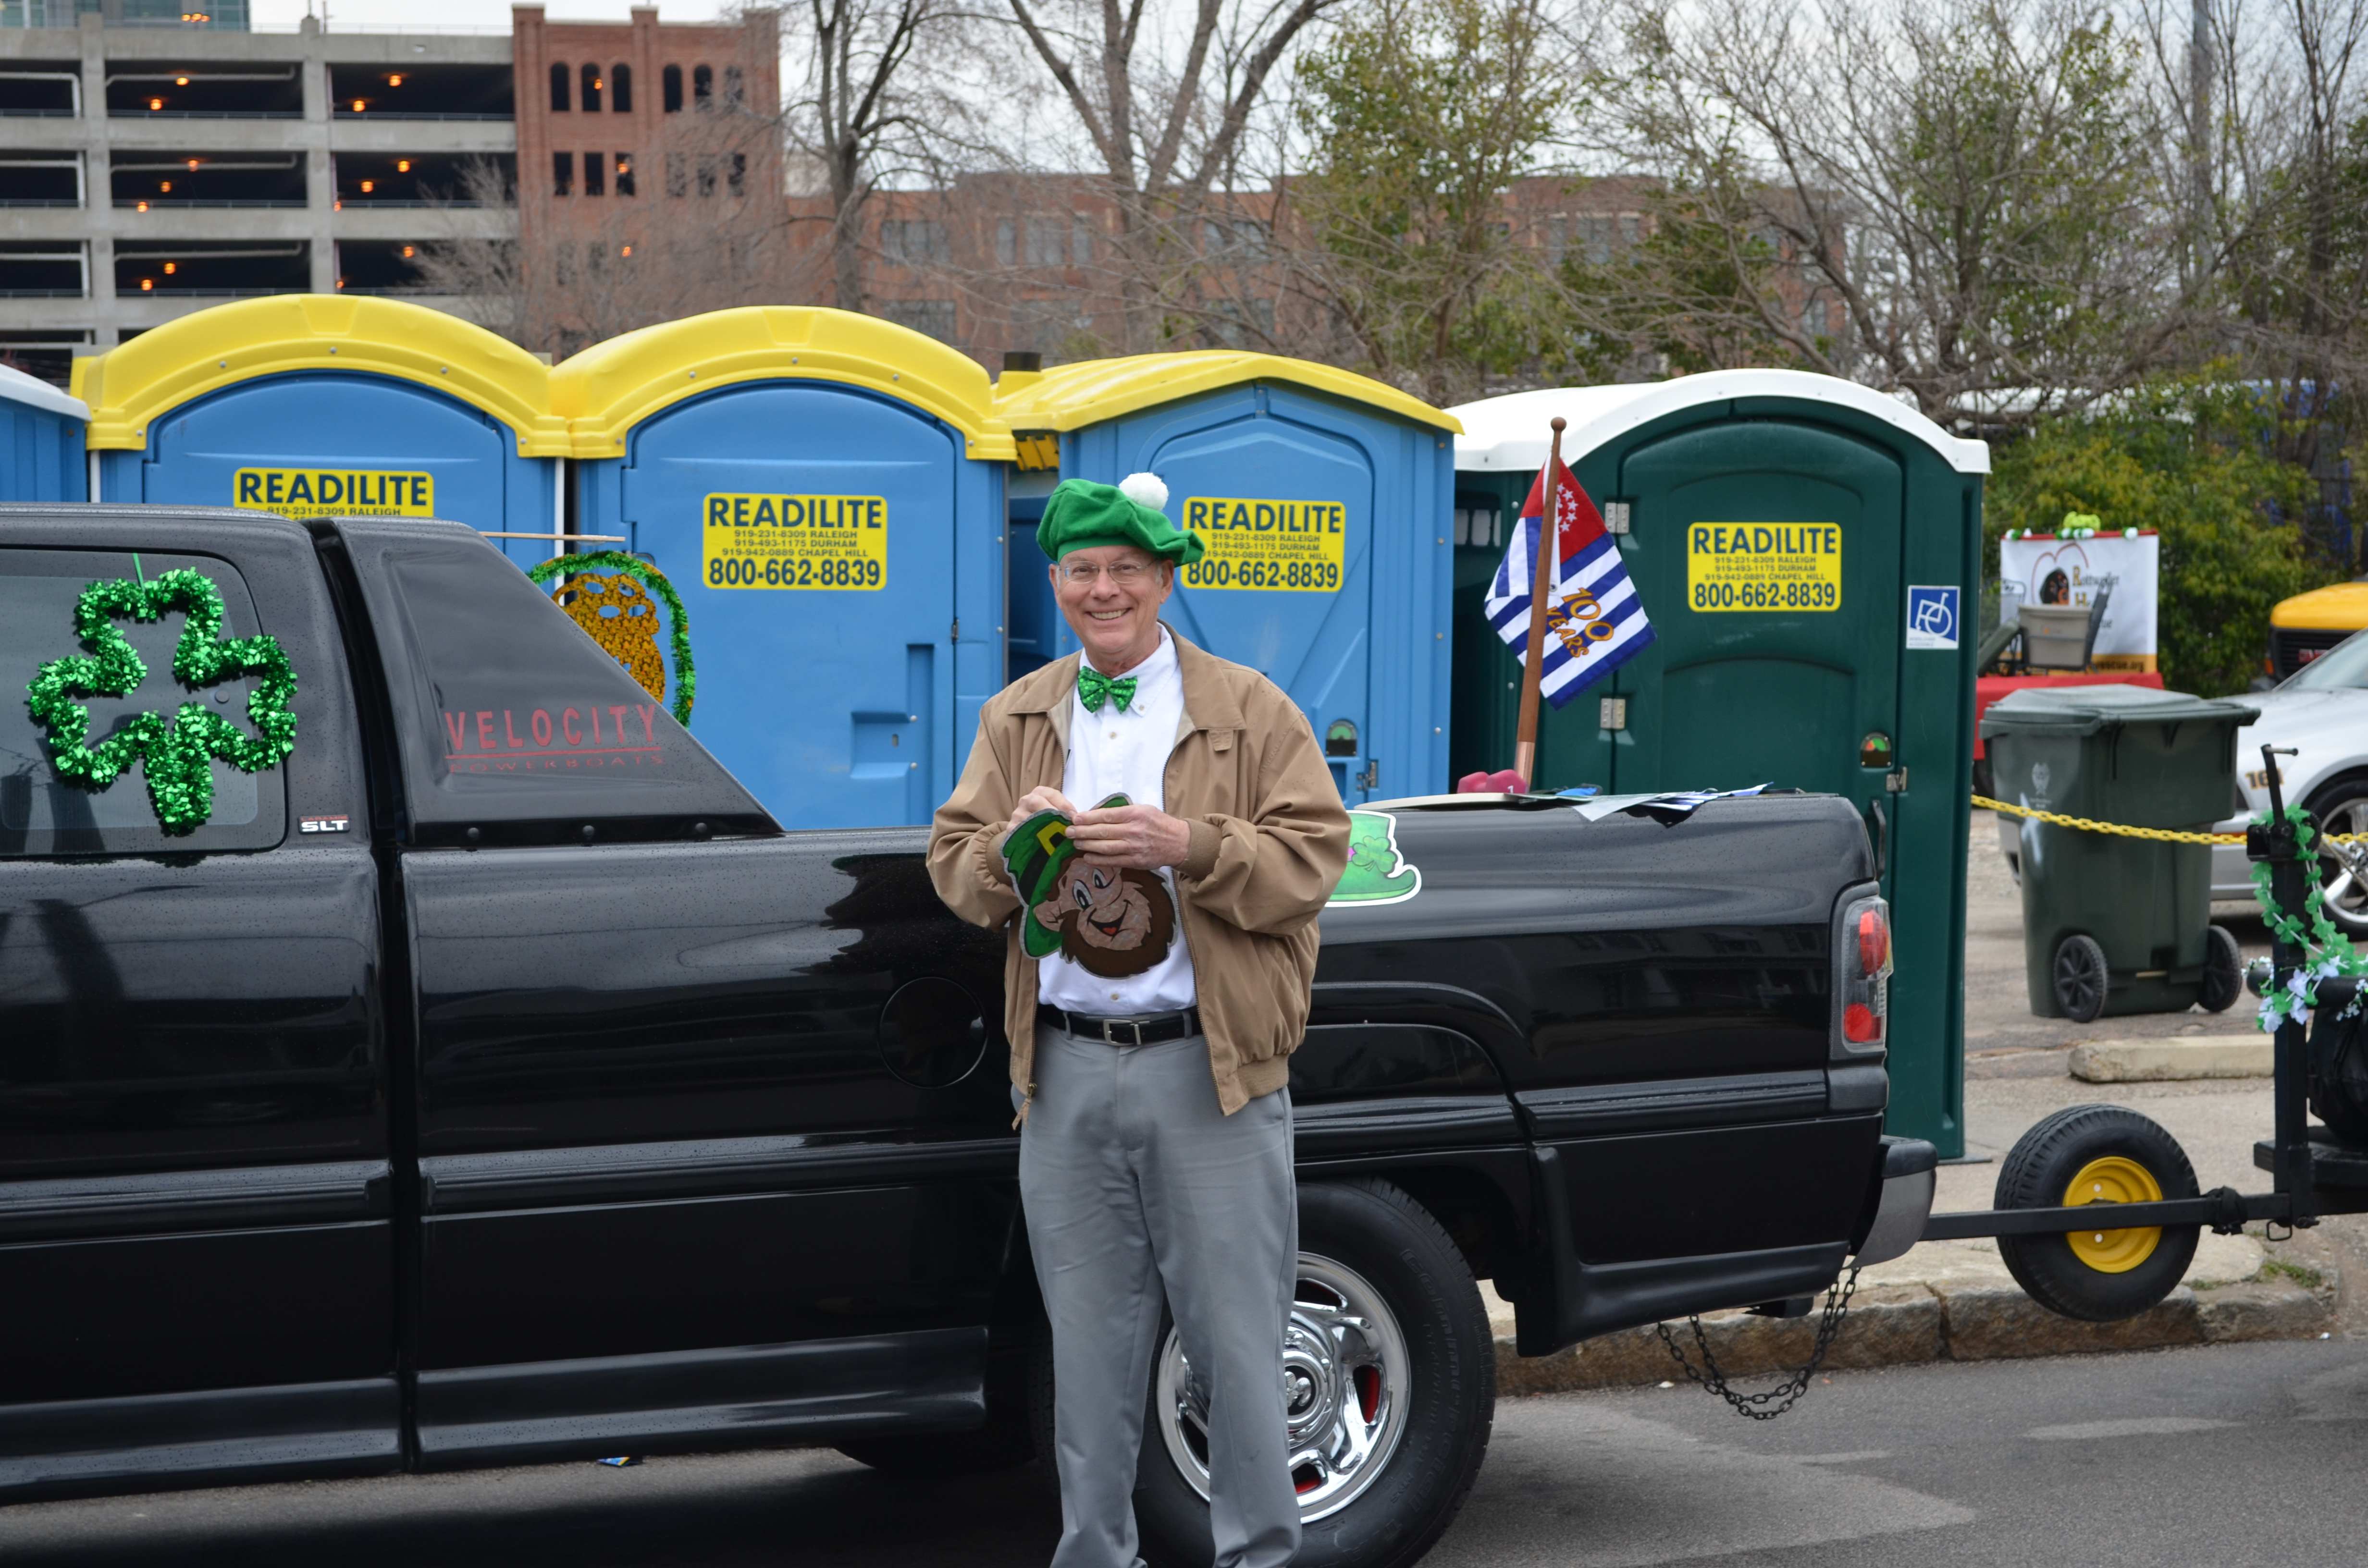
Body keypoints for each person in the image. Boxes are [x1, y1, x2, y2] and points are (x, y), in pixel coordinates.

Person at [928, 473, 1352, 1568]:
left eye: (1125, 571)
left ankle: (1259, 1555)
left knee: (1236, 1355)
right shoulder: (1016, 715)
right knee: (1089, 1355)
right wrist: (1009, 851)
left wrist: (1191, 848)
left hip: (1206, 1079)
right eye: (1081, 571)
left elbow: (1314, 861)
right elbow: (956, 871)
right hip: (1061, 1079)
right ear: (1057, 583)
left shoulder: (1251, 709)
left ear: (1165, 580)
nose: (1103, 590)